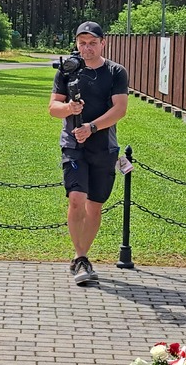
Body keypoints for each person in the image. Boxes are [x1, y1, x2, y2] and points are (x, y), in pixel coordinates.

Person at [48, 21, 128, 285]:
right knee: (76, 199)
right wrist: (69, 109)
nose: (87, 48)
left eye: (92, 43)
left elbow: (120, 110)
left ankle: (80, 256)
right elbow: (53, 108)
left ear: (103, 43)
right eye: (82, 43)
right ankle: (82, 258)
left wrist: (92, 127)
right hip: (73, 145)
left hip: (104, 146)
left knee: (94, 205)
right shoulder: (67, 71)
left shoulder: (116, 72)